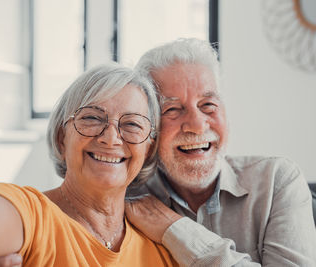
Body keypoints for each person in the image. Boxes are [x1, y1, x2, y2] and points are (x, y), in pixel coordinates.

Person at [0, 63, 182, 266]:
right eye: (91, 118)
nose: (110, 138)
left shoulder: (162, 245)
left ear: (148, 149)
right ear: (61, 138)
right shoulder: (33, 216)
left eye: (132, 124)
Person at [124, 38, 316, 266]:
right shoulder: (127, 196)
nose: (197, 125)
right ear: (149, 124)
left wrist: (174, 229)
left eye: (208, 105)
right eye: (172, 109)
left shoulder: (277, 180)